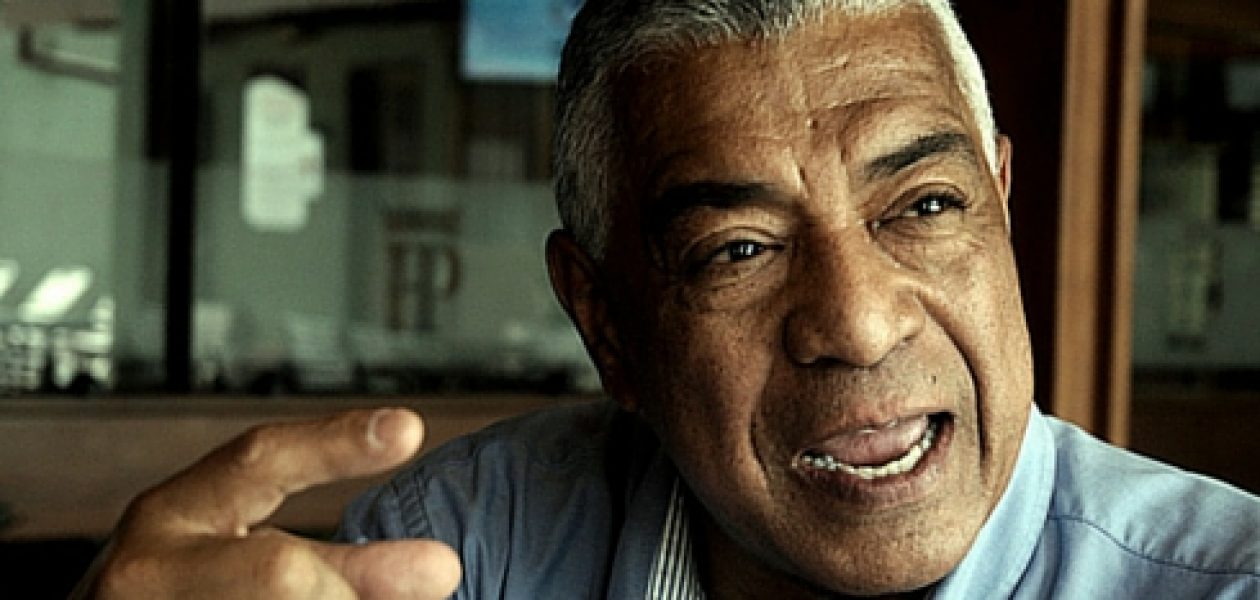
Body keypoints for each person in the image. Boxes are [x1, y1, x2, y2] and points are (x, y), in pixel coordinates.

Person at [77, 0, 1260, 598]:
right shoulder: (473, 553)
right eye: (738, 250)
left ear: (1000, 201)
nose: (858, 323)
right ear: (606, 323)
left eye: (926, 206)